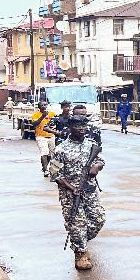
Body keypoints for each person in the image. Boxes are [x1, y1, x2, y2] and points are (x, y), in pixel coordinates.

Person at [49, 115, 105, 271]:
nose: (81, 128)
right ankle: (80, 253)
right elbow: (55, 174)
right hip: (70, 193)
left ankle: (80, 240)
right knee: (76, 223)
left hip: (90, 190)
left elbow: (101, 160)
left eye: (84, 125)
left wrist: (96, 167)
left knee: (98, 219)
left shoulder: (91, 145)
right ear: (70, 128)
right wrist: (71, 188)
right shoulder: (61, 149)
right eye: (78, 126)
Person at [30, 100, 57, 177]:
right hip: (41, 136)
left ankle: (44, 167)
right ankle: (45, 170)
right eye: (42, 105)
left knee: (51, 154)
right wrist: (42, 117)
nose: (44, 106)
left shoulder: (52, 114)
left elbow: (56, 122)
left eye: (45, 105)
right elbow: (34, 124)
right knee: (44, 152)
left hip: (51, 136)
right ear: (39, 107)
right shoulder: (36, 115)